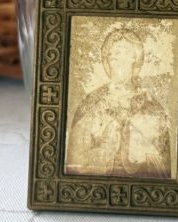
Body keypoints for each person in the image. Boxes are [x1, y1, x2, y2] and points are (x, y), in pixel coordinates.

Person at [65, 28, 172, 179]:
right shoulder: (92, 102)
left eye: (126, 53)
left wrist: (139, 145)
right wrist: (103, 149)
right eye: (114, 54)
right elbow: (75, 159)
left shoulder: (150, 105)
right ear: (107, 60)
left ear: (135, 59)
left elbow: (163, 165)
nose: (119, 59)